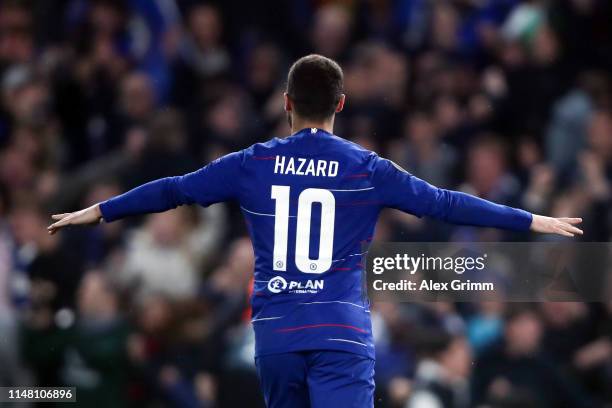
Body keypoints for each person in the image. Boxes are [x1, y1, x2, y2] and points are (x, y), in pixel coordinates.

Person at [47, 55, 583, 408]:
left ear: (286, 104)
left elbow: (172, 190)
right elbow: (445, 204)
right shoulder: (367, 169)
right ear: (341, 105)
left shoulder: (251, 163)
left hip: (277, 334)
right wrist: (531, 218)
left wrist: (100, 209)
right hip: (341, 334)